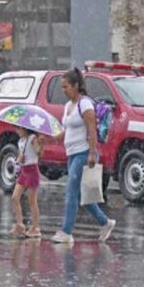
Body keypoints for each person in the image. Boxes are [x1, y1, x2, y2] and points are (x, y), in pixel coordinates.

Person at [51, 68, 116, 244]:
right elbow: (66, 130)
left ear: (76, 86)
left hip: (83, 152)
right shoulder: (68, 106)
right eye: (62, 87)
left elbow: (92, 130)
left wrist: (92, 153)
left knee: (71, 191)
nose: (63, 91)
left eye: (66, 87)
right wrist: (49, 137)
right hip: (71, 153)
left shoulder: (85, 104)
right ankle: (105, 222)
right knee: (81, 195)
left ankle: (66, 231)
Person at [9, 126, 43, 238]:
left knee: (32, 201)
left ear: (26, 129)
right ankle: (20, 224)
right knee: (15, 197)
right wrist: (18, 161)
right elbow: (20, 155)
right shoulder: (21, 141)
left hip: (32, 170)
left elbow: (38, 152)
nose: (17, 131)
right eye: (16, 129)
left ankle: (36, 227)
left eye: (19, 129)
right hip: (24, 171)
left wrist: (41, 144)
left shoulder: (32, 138)